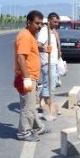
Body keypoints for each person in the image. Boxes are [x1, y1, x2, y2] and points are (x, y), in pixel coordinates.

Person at [14, 10, 50, 142]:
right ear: (28, 22)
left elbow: (33, 50)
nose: (39, 26)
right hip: (27, 77)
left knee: (32, 104)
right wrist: (26, 78)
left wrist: (45, 49)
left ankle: (37, 128)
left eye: (41, 24)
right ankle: (23, 133)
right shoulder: (24, 36)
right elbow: (21, 58)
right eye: (37, 23)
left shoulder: (31, 35)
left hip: (32, 76)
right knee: (27, 107)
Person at [37, 12, 60, 110]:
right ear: (49, 20)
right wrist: (45, 49)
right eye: (54, 22)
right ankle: (48, 107)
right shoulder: (44, 31)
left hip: (53, 62)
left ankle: (39, 102)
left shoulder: (52, 31)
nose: (56, 24)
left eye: (57, 22)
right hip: (47, 63)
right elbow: (38, 45)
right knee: (49, 86)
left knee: (51, 84)